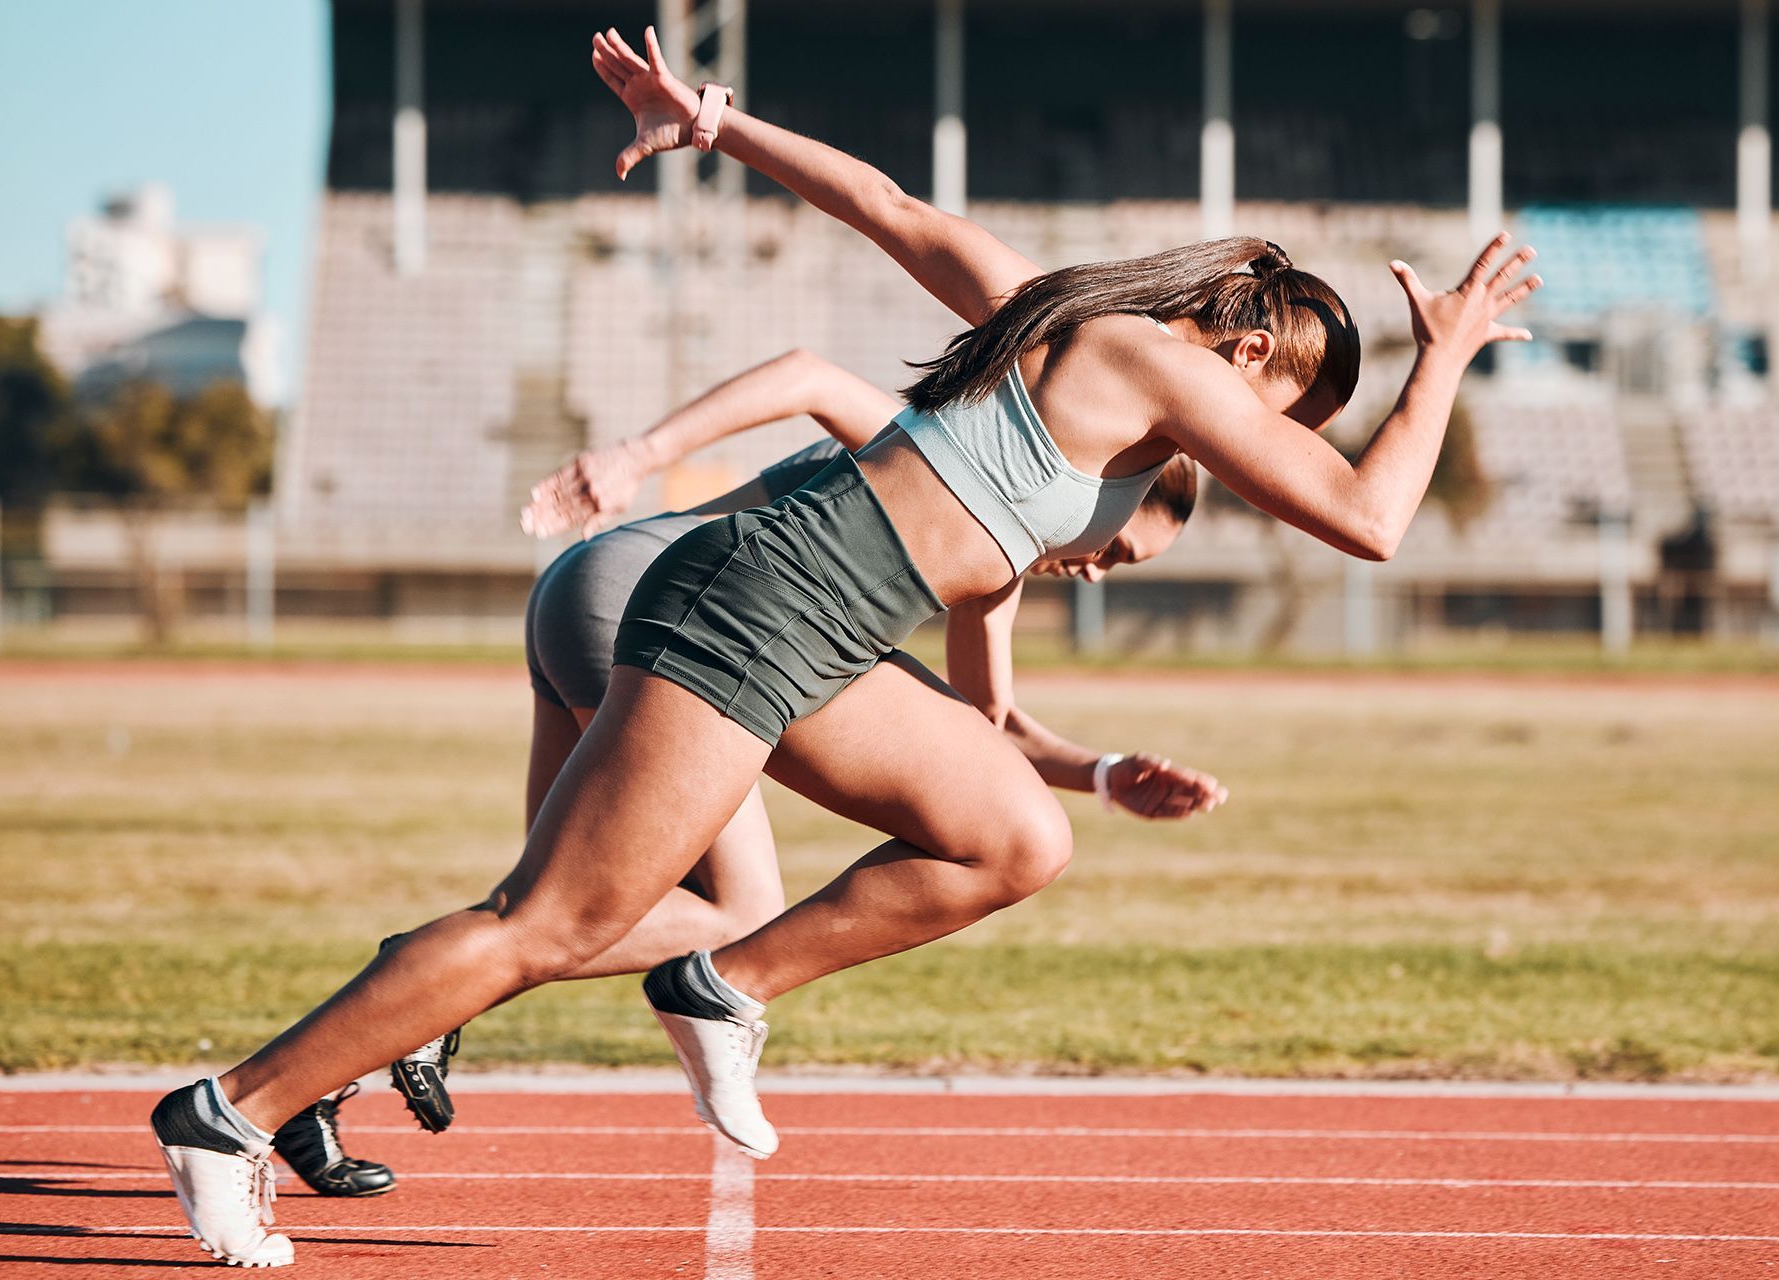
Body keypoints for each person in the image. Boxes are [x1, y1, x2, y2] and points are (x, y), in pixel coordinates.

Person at [149, 25, 1538, 1266]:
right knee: (555, 922)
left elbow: (882, 204)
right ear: (1248, 349)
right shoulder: (1162, 358)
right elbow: (1369, 520)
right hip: (766, 602)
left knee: (1012, 837)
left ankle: (722, 985)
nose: (1278, 446)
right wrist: (1449, 356)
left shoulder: (1057, 323)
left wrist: (713, 123)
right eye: (1296, 405)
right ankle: (231, 1115)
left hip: (828, 625)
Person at [281, 347, 1216, 1195]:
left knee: (545, 913)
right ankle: (384, 1015)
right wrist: (635, 454)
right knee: (725, 914)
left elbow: (985, 724)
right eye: (1118, 546)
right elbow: (809, 377)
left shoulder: (999, 553)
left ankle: (314, 1076)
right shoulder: (962, 456)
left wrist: (1100, 773)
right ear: (1113, 480)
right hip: (661, 603)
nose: (1096, 570)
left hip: (597, 589)